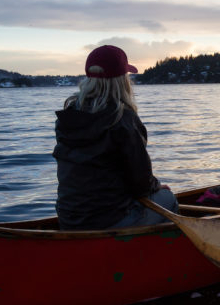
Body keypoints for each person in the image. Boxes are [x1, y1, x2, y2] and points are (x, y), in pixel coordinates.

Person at [53, 45, 178, 230]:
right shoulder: (122, 119)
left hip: (69, 217)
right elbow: (141, 183)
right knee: (169, 199)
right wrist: (157, 187)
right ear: (122, 81)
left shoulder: (68, 117)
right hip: (109, 220)